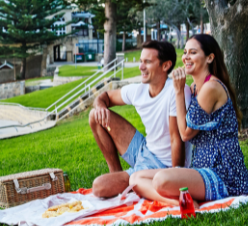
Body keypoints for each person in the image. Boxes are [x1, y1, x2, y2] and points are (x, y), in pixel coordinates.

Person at [130, 34, 248, 205]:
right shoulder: (194, 88)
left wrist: (178, 91)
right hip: (201, 168)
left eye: (193, 52)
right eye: (185, 52)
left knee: (161, 180)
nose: (186, 57)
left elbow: (185, 134)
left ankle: (183, 201)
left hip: (223, 174)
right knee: (135, 178)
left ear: (209, 58)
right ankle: (180, 203)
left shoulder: (211, 87)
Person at [90, 40, 191, 198]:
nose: (141, 67)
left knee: (99, 187)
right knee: (95, 116)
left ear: (165, 66)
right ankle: (116, 174)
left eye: (147, 62)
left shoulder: (176, 91)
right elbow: (105, 97)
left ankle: (125, 181)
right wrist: (100, 106)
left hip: (161, 164)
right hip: (144, 149)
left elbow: (175, 139)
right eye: (140, 61)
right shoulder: (139, 90)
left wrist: (175, 177)